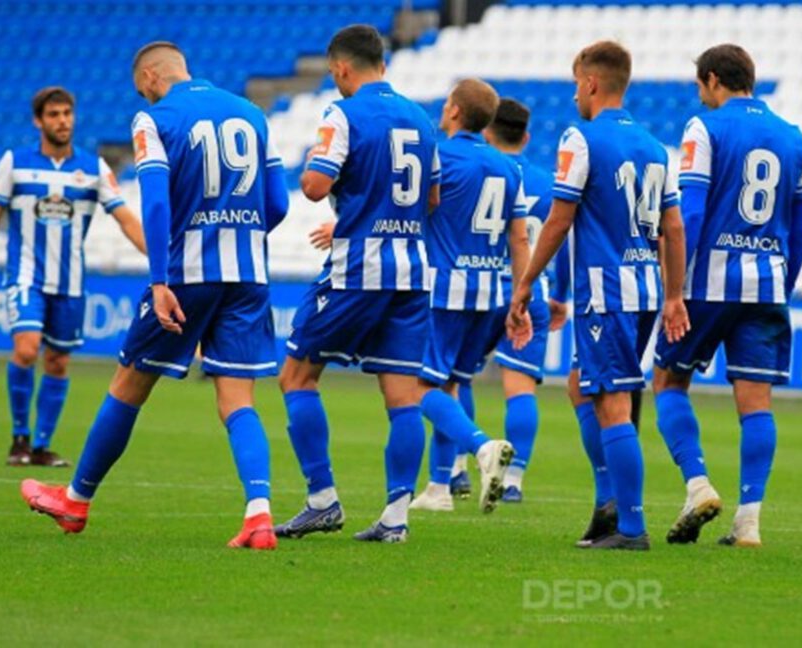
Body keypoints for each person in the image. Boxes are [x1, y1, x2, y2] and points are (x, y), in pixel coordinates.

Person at [20, 42, 288, 550]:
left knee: (128, 385)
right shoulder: (253, 114)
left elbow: (158, 201)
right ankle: (259, 515)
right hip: (249, 272)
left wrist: (161, 280)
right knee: (237, 399)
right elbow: (276, 202)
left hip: (187, 273)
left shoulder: (153, 118)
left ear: (149, 76)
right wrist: (244, 237)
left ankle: (75, 501)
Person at [274, 26, 511, 545]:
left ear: (340, 69)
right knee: (403, 396)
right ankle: (395, 517)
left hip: (359, 267)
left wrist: (352, 188)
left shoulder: (344, 113)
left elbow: (313, 186)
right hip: (413, 270)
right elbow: (429, 200)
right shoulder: (421, 121)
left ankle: (321, 500)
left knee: (296, 376)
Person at [507, 41, 689, 551]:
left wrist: (526, 284)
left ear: (590, 83)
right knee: (580, 386)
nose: (572, 95)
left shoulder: (581, 139)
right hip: (646, 289)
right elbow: (673, 228)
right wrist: (673, 295)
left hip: (605, 290)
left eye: (575, 84)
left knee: (610, 401)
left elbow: (559, 219)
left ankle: (630, 527)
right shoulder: (656, 147)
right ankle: (609, 503)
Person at [651, 44, 802, 548]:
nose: (700, 97)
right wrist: (782, 287)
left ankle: (697, 484)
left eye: (701, 87)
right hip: (767, 284)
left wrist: (674, 290)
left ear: (714, 80)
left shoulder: (706, 128)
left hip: (708, 284)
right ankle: (749, 521)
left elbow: (691, 216)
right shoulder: (794, 137)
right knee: (756, 402)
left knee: (667, 381)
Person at [0, 86, 147, 467]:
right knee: (27, 349)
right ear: (38, 121)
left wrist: (162, 259)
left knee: (59, 362)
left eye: (67, 114)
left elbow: (126, 219)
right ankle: (19, 439)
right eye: (53, 115)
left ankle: (42, 445)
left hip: (71, 284)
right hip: (26, 278)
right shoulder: (14, 163)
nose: (62, 121)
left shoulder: (93, 169)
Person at [412, 97, 550, 510]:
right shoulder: (519, 171)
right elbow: (523, 238)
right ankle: (443, 488)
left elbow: (421, 207)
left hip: (447, 291)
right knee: (457, 383)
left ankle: (478, 448)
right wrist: (525, 297)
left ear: (456, 112)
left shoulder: (443, 156)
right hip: (502, 292)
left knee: (418, 387)